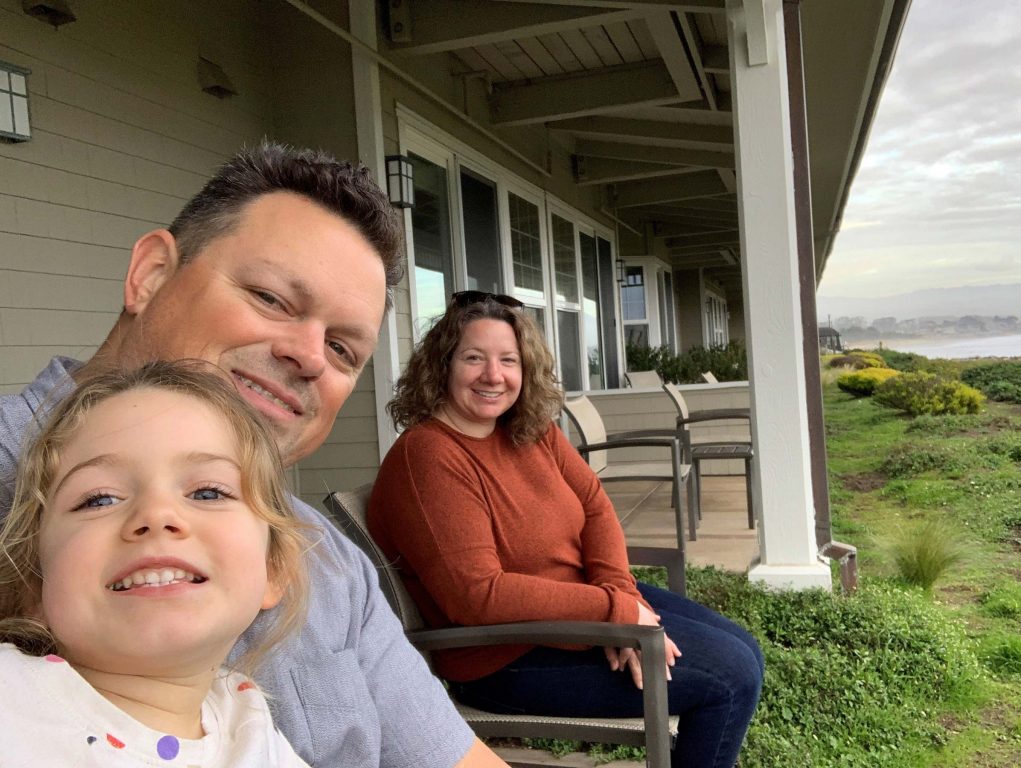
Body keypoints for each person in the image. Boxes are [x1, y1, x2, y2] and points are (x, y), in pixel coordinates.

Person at [0, 144, 505, 768]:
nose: (311, 356)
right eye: (270, 298)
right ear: (151, 275)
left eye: (344, 349)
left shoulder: (326, 556)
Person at [368, 291, 765, 768]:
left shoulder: (528, 430)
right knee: (729, 677)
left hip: (582, 610)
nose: (493, 375)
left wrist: (619, 598)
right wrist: (611, 612)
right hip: (505, 657)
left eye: (508, 360)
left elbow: (595, 506)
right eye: (474, 358)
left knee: (746, 651)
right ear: (442, 365)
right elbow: (477, 596)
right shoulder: (428, 457)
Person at [0, 361, 311, 765]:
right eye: (99, 499)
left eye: (208, 493)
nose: (156, 514)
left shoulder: (250, 727)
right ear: (32, 585)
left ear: (274, 569)